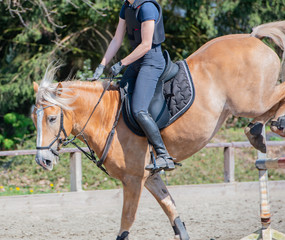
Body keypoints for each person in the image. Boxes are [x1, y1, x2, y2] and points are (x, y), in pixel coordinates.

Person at [92, 0, 175, 172]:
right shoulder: (127, 7)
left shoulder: (147, 8)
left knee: (139, 110)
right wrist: (102, 65)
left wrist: (121, 63)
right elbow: (116, 39)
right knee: (118, 94)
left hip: (152, 62)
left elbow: (146, 45)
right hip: (137, 62)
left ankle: (163, 155)